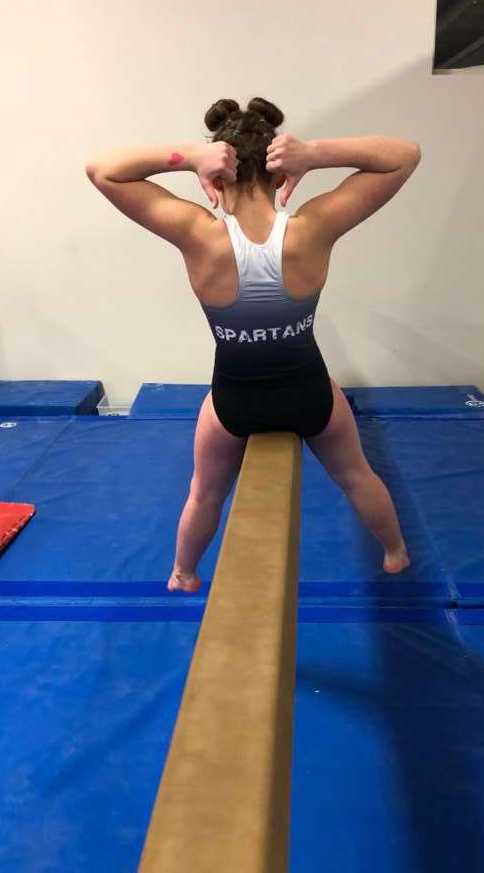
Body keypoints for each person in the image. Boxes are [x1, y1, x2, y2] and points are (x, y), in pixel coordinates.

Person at [85, 96, 421, 593]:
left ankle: (183, 572)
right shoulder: (312, 227)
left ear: (217, 177)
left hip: (236, 401)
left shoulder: (198, 234)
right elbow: (404, 155)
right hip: (309, 395)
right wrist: (314, 154)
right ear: (278, 173)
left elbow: (103, 170)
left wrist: (188, 157)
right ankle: (395, 552)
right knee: (356, 476)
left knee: (204, 493)